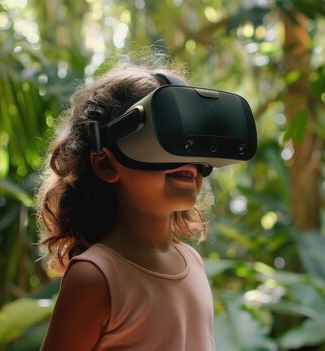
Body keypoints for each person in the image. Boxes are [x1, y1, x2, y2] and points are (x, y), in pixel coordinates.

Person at [37, 62, 217, 350]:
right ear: (107, 163)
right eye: (163, 137)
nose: (185, 154)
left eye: (190, 139)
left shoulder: (192, 260)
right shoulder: (95, 276)